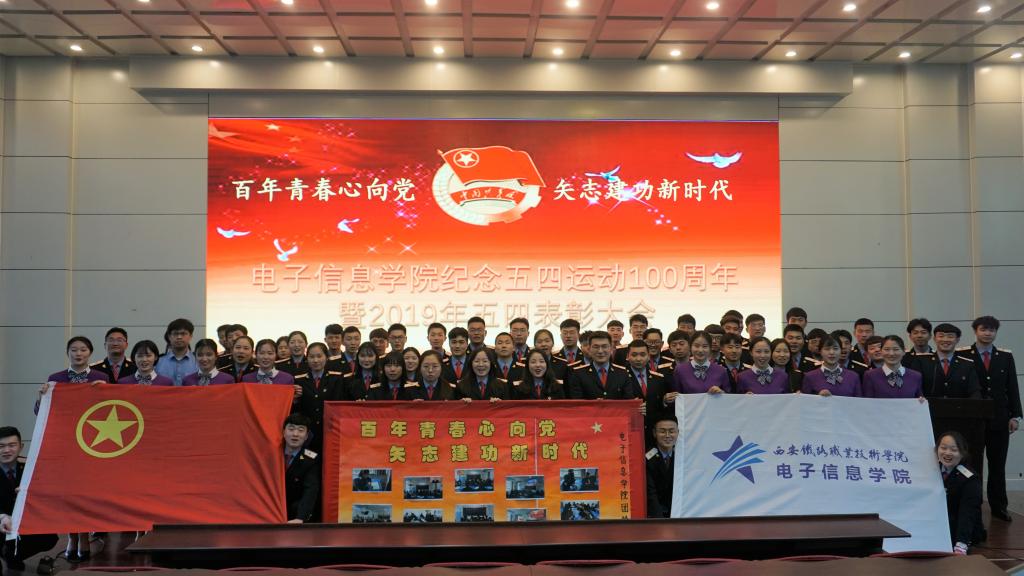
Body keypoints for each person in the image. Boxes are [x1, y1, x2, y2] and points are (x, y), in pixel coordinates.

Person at [968, 315, 1020, 522]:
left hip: (999, 419)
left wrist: (1016, 416)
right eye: (983, 329)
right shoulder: (964, 355)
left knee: (998, 465)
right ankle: (973, 506)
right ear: (975, 331)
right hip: (974, 420)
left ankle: (999, 507)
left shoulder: (1005, 356)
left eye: (992, 330)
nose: (988, 333)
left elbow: (1012, 387)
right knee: (973, 465)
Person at [1, 426, 59, 571]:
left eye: (12, 445)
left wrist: (33, 493)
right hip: (1, 521)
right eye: (1, 446)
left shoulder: (31, 468)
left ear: (21, 447)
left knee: (49, 538)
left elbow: (48, 497)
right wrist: (2, 517)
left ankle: (12, 555)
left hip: (22, 522)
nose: (6, 450)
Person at [293, 342, 347, 452]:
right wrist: (295, 399)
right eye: (311, 357)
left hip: (330, 429)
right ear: (307, 358)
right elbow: (297, 408)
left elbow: (339, 405)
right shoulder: (299, 379)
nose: (315, 360)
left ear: (326, 357)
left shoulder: (336, 378)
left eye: (319, 356)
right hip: (307, 432)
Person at [937, 431, 984, 554]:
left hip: (957, 531)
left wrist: (961, 545)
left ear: (962, 453)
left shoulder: (970, 479)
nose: (947, 453)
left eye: (954, 450)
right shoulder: (931, 471)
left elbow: (967, 513)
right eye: (943, 448)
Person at [568, 331, 634, 399]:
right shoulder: (578, 374)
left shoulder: (622, 373)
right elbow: (577, 402)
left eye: (604, 346)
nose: (600, 351)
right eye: (596, 347)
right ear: (589, 349)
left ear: (611, 348)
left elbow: (628, 401)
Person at [624, 340, 667, 445]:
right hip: (629, 431)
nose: (638, 359)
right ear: (628, 356)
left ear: (648, 356)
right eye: (634, 355)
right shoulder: (621, 377)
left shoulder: (659, 379)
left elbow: (661, 408)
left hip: (654, 433)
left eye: (643, 355)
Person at [282, 414, 320, 524]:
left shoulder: (311, 460)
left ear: (306, 436)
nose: (295, 434)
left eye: (300, 430)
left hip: (294, 514)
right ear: (284, 432)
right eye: (291, 429)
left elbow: (310, 490)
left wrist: (301, 517)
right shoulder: (271, 454)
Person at [925, 323, 980, 399]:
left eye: (950, 336)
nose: (945, 340)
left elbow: (974, 391)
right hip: (929, 406)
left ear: (957, 340)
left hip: (960, 406)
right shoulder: (923, 362)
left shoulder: (967, 364)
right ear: (934, 339)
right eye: (941, 336)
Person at [646, 417, 678, 519]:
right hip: (655, 516)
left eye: (671, 431)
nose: (667, 435)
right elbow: (651, 493)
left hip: (678, 513)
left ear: (678, 433)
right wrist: (660, 521)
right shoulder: (647, 459)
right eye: (662, 431)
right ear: (654, 433)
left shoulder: (682, 456)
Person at [155, 318, 197, 386]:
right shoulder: (158, 362)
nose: (179, 337)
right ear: (169, 336)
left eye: (183, 333)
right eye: (175, 333)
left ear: (191, 336)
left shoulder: (198, 361)